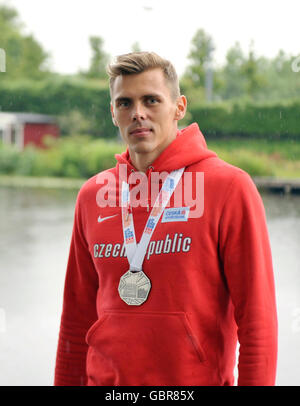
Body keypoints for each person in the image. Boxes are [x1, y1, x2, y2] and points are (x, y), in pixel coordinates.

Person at [54, 52, 278, 386]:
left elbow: (258, 321)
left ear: (179, 107)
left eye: (151, 100)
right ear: (113, 113)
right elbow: (76, 318)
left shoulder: (229, 188)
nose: (138, 114)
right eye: (125, 103)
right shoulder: (92, 195)